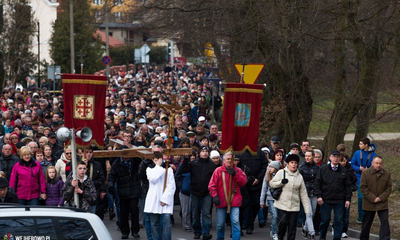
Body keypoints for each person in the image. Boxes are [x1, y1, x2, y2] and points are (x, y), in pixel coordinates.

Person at [178, 146, 217, 240]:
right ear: (199, 153)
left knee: (206, 214)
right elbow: (183, 170)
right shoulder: (193, 163)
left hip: (207, 193)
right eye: (203, 151)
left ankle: (206, 233)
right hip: (195, 192)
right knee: (195, 215)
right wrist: (186, 159)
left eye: (206, 151)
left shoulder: (212, 165)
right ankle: (197, 232)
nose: (205, 153)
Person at [269, 154, 310, 240]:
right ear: (287, 164)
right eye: (292, 162)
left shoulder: (300, 177)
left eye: (295, 163)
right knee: (283, 223)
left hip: (294, 206)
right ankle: (279, 237)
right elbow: (271, 184)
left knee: (292, 228)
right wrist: (281, 182)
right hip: (282, 204)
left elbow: (303, 194)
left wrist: (307, 210)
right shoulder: (281, 172)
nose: (294, 164)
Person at [313, 150, 352, 240]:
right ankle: (322, 236)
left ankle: (337, 238)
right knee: (325, 220)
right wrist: (319, 196)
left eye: (337, 157)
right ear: (330, 158)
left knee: (338, 220)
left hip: (339, 200)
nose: (336, 158)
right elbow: (317, 184)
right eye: (334, 156)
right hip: (325, 199)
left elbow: (348, 186)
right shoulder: (323, 169)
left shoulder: (344, 171)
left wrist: (347, 199)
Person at [208, 152, 247, 240]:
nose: (230, 161)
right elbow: (211, 185)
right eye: (228, 159)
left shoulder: (238, 171)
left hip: (234, 200)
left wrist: (235, 175)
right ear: (224, 160)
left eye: (231, 159)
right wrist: (215, 196)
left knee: (235, 222)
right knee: (220, 224)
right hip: (221, 200)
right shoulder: (218, 171)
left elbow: (244, 182)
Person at [108, 152, 142, 239]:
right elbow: (112, 176)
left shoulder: (136, 161)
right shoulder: (117, 163)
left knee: (134, 210)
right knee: (123, 212)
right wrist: (111, 185)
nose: (127, 157)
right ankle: (125, 231)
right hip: (122, 190)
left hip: (134, 188)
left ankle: (135, 230)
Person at [144, 151, 176, 240]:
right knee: (154, 223)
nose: (157, 161)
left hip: (165, 201)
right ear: (153, 160)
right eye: (155, 160)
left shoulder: (168, 170)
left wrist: (165, 199)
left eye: (159, 160)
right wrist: (159, 167)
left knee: (167, 223)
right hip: (154, 200)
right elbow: (153, 179)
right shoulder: (150, 169)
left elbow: (171, 185)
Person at [359, 156, 392, 240]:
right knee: (366, 224)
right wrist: (373, 198)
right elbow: (363, 187)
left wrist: (380, 198)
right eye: (377, 163)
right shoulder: (365, 173)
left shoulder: (386, 173)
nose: (378, 165)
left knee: (385, 223)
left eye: (380, 163)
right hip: (369, 203)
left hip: (382, 203)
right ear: (372, 163)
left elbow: (388, 188)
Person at [350, 137, 377, 223]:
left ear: (366, 145)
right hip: (359, 178)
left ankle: (367, 215)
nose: (359, 145)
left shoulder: (373, 155)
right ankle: (360, 216)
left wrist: (368, 170)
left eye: (361, 144)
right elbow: (352, 164)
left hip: (369, 178)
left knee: (368, 197)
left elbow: (376, 167)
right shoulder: (357, 153)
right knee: (361, 197)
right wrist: (358, 169)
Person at [298, 150, 319, 240]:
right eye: (306, 156)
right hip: (304, 192)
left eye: (309, 156)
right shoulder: (301, 167)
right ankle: (312, 233)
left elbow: (319, 180)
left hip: (314, 192)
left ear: (313, 157)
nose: (307, 157)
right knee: (309, 213)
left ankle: (305, 228)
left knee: (313, 213)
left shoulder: (317, 168)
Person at [260, 160, 281, 240]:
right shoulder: (267, 176)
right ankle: (274, 233)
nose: (270, 168)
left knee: (278, 216)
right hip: (270, 198)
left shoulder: (281, 176)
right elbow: (264, 189)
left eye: (272, 167)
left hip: (279, 198)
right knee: (274, 215)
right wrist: (262, 201)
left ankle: (274, 228)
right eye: (269, 167)